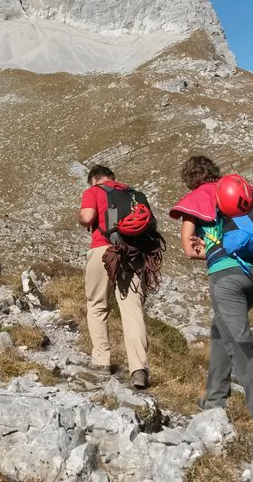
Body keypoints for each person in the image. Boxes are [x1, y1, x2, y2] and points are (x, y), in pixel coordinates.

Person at [169, 155, 253, 448]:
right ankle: (214, 399)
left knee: (241, 348)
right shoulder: (241, 190)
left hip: (228, 279)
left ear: (190, 180)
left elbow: (188, 249)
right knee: (220, 330)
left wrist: (210, 249)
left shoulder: (197, 198)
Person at [77, 164, 150, 389]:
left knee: (97, 305)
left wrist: (81, 218)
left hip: (104, 251)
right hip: (132, 254)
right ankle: (139, 369)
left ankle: (101, 361)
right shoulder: (133, 194)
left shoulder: (94, 191)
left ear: (93, 179)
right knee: (132, 309)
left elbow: (87, 217)